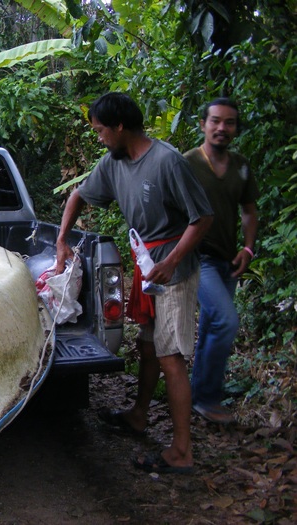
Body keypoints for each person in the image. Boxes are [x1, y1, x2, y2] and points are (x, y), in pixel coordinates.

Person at [55, 92, 213, 474]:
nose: (98, 137)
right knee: (147, 346)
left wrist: (171, 261)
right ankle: (139, 415)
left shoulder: (167, 161)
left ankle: (181, 451)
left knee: (170, 357)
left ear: (120, 126)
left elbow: (202, 218)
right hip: (147, 266)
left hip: (173, 270)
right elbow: (78, 196)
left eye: (100, 130)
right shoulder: (113, 163)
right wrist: (62, 239)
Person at [185, 98, 259, 424]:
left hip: (229, 261)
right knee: (227, 321)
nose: (221, 128)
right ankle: (207, 398)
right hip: (198, 259)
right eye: (215, 121)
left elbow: (249, 211)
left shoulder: (241, 167)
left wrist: (248, 248)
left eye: (229, 123)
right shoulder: (187, 164)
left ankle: (196, 394)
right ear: (202, 124)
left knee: (213, 325)